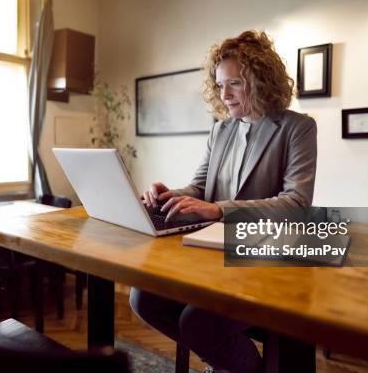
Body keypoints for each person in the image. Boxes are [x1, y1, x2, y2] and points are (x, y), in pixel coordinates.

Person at [130, 30, 317, 373]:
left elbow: (297, 203)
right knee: (142, 298)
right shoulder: (221, 130)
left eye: (234, 84)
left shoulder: (297, 128)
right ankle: (227, 360)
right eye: (219, 85)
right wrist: (167, 195)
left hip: (266, 262)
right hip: (213, 257)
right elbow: (200, 189)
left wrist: (219, 210)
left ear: (260, 81)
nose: (224, 94)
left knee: (200, 323)